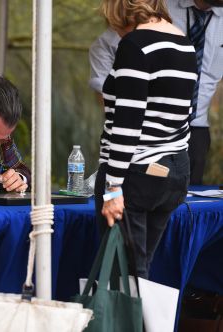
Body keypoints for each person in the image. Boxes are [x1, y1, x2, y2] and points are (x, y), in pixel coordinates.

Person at [94, 0, 197, 278]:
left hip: (136, 172)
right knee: (139, 272)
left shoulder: (136, 44)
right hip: (173, 169)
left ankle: (131, 323)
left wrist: (113, 187)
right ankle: (144, 321)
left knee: (125, 277)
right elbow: (187, 112)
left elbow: (129, 120)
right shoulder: (184, 43)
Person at [89, 0, 223, 185]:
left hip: (195, 131)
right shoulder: (156, 9)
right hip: (140, 137)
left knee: (189, 204)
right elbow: (112, 41)